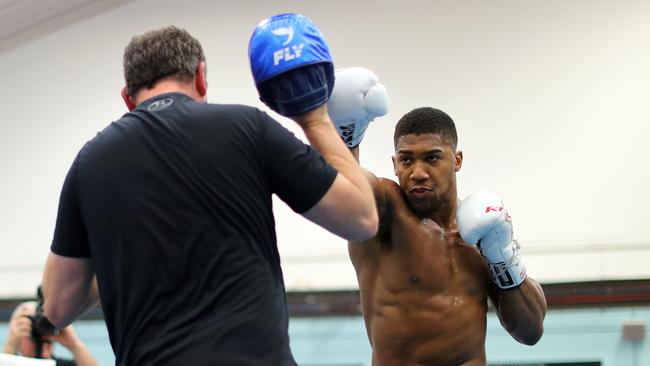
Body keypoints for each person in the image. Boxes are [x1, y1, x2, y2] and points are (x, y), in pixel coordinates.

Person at [41, 17, 377, 366]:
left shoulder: (90, 162)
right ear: (201, 77)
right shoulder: (248, 128)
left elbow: (57, 306)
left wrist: (122, 258)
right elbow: (362, 217)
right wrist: (315, 118)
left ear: (128, 98)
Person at [327, 67, 547, 365]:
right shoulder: (386, 214)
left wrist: (504, 258)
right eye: (406, 160)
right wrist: (344, 136)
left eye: (432, 158)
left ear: (456, 160)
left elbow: (530, 332)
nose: (417, 173)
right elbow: (345, 187)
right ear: (395, 164)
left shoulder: (480, 234)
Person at [3, 302, 98, 366]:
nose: (36, 329)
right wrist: (10, 349)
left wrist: (74, 345)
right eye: (30, 322)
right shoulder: (9, 361)